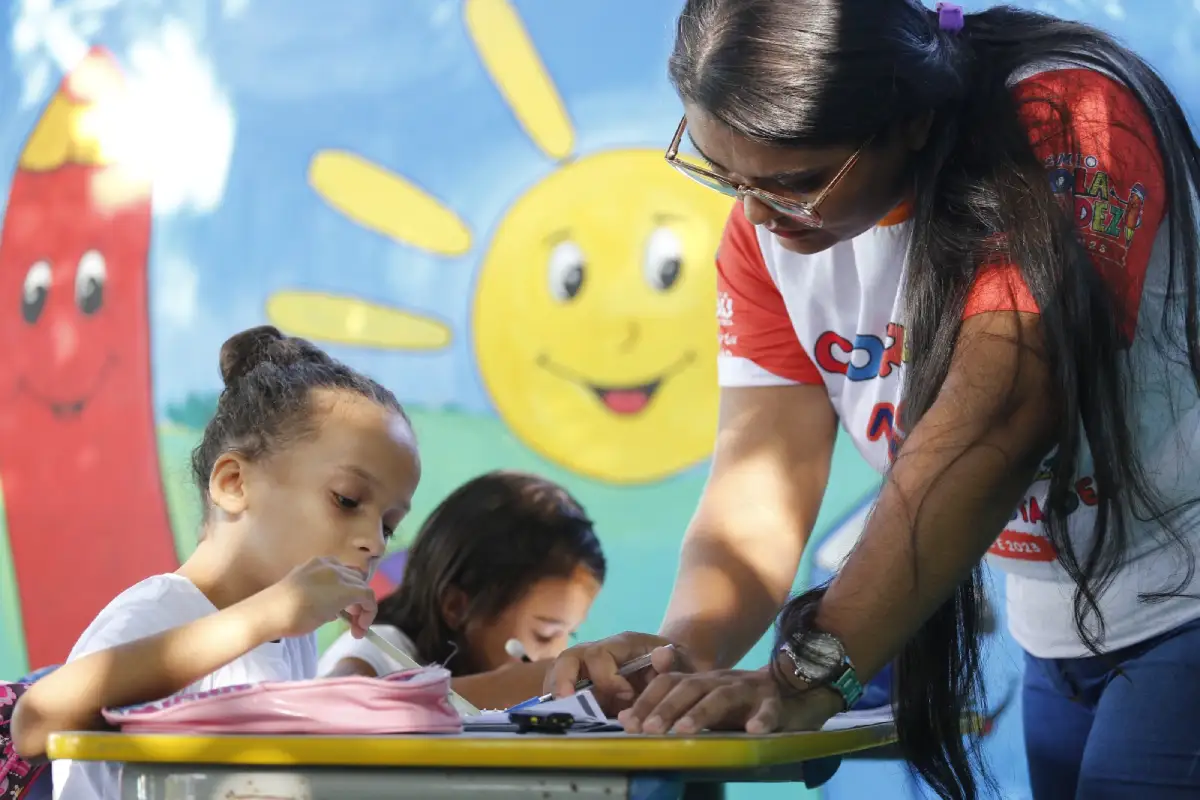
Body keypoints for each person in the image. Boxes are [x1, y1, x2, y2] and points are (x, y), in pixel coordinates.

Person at [544, 2, 1200, 799]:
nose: (753, 213)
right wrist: (682, 654)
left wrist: (809, 676)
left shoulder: (1070, 119)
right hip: (1061, 631)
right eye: (726, 173)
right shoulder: (764, 237)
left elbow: (1005, 409)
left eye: (796, 181)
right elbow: (760, 485)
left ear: (913, 121)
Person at [11, 325, 420, 800]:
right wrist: (268, 612)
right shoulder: (164, 609)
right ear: (232, 483)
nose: (373, 541)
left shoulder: (292, 637)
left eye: (388, 525)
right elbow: (35, 721)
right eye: (347, 500)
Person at [319, 470, 605, 702]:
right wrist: (506, 687)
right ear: (457, 606)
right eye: (545, 634)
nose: (557, 652)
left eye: (570, 633)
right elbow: (330, 705)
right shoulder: (377, 650)